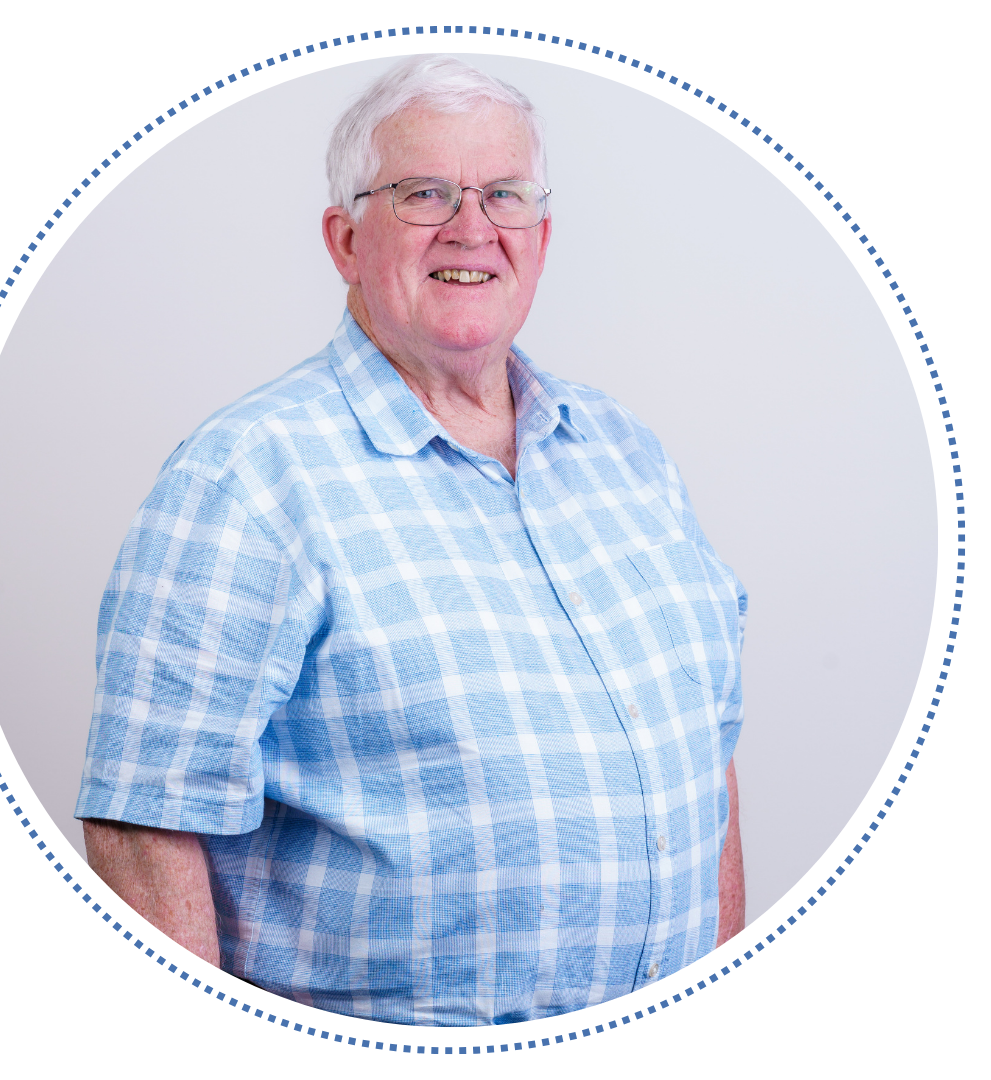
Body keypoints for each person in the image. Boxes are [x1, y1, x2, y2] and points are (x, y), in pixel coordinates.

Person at [76, 54, 747, 1027]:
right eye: (424, 192)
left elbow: (708, 756)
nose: (471, 228)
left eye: (504, 195)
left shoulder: (630, 457)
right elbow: (144, 826)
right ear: (345, 239)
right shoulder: (247, 480)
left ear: (543, 237)